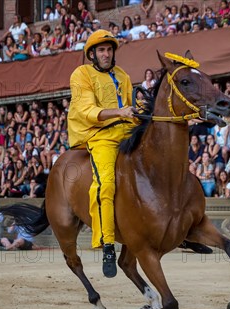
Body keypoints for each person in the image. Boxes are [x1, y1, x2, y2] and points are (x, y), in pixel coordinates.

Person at [67, 29, 136, 278]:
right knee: (105, 185)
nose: (106, 54)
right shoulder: (82, 74)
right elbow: (87, 110)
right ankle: (108, 244)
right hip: (101, 136)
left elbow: (130, 107)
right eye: (102, 50)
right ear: (92, 54)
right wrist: (120, 113)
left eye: (109, 49)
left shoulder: (123, 75)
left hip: (127, 131)